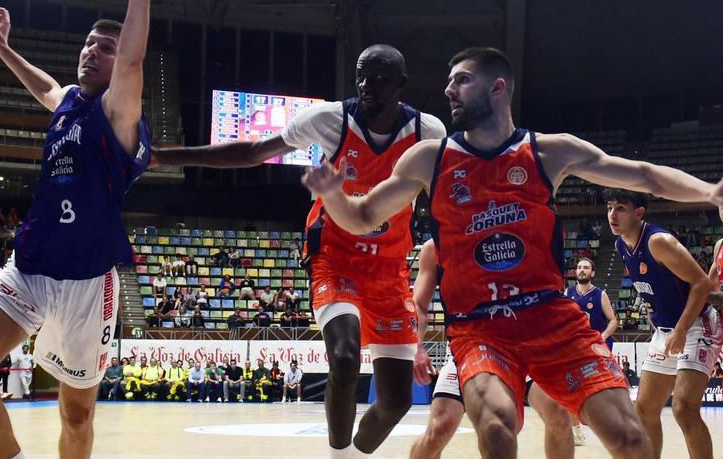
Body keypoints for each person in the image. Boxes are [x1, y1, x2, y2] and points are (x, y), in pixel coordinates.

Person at [303, 47, 723, 458]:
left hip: (550, 319)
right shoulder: (430, 157)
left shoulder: (548, 151)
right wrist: (332, 195)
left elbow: (645, 176)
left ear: (498, 87)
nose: (449, 90)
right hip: (479, 327)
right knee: (497, 428)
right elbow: (362, 216)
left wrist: (709, 191)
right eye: (449, 82)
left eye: (462, 81)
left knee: (630, 438)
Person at [155, 45, 446, 457]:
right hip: (335, 255)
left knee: (397, 401)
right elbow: (254, 151)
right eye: (361, 76)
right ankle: (338, 456)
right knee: (344, 357)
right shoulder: (331, 119)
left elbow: (451, 196)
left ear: (400, 85)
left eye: (379, 78)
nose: (366, 85)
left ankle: (356, 454)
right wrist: (164, 155)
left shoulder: (427, 133)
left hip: (389, 267)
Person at [0, 0, 150, 459]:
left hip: (88, 279)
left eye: (104, 48)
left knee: (76, 417)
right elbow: (45, 86)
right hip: (32, 264)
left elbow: (131, 62)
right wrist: (4, 48)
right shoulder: (69, 107)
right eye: (88, 44)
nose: (92, 53)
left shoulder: (119, 116)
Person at [409, 240, 573, 459]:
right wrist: (416, 345)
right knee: (440, 427)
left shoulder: (517, 230)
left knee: (558, 412)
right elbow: (418, 305)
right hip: (468, 345)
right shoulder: (436, 246)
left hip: (523, 345)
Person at [609, 189, 720, 459]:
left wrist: (681, 329)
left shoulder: (658, 241)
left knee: (683, 408)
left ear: (639, 213)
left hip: (696, 324)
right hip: (666, 329)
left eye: (620, 208)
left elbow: (702, 284)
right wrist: (653, 307)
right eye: (610, 207)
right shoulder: (620, 245)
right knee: (644, 408)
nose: (612, 214)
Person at [564, 257, 619, 446]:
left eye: (586, 268)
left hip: (597, 348)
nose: (581, 270)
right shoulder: (568, 292)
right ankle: (577, 432)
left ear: (592, 273)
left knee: (603, 391)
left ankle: (612, 427)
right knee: (570, 389)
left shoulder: (600, 294)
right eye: (579, 267)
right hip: (575, 348)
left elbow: (613, 321)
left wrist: (601, 338)